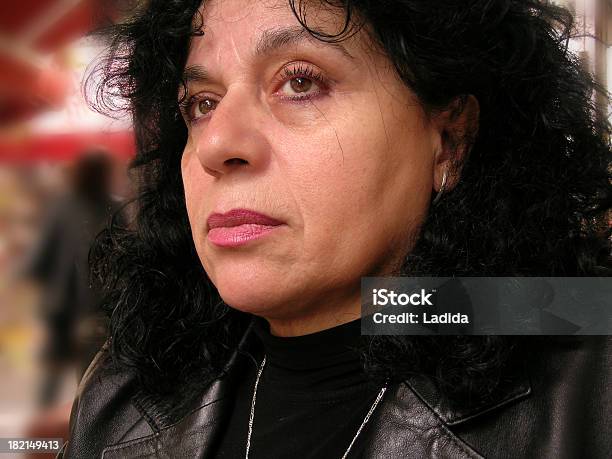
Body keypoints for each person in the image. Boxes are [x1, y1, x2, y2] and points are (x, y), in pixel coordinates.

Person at [61, 0, 611, 457]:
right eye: (202, 104)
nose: (216, 144)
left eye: (300, 82)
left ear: (449, 140)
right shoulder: (123, 394)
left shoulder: (587, 376)